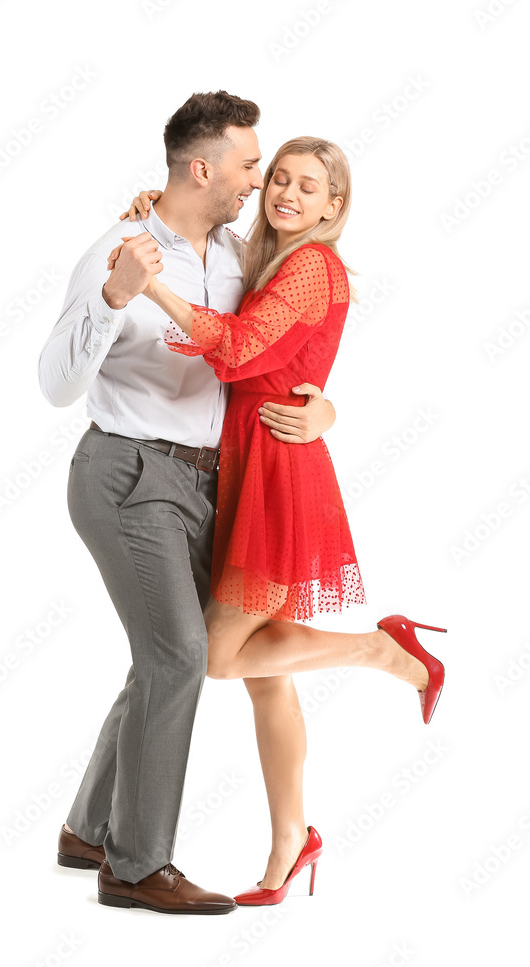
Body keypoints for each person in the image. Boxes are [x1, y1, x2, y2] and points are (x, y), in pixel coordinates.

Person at [107, 135, 448, 906]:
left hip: (274, 474)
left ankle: (386, 650)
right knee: (269, 678)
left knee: (223, 658)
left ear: (335, 206)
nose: (287, 194)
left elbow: (234, 350)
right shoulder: (268, 259)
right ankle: (290, 846)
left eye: (308, 187)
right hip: (251, 464)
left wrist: (149, 284)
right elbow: (272, 339)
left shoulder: (310, 265)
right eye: (279, 180)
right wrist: (152, 216)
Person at [38, 91, 337, 915]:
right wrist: (112, 298)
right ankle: (135, 867)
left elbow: (271, 352)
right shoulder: (119, 249)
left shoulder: (243, 257)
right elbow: (55, 384)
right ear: (202, 168)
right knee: (179, 658)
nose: (259, 183)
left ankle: (87, 829)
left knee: (167, 654)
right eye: (250, 166)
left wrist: (323, 409)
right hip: (126, 474)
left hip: (210, 482)